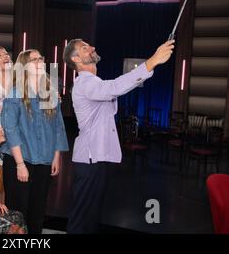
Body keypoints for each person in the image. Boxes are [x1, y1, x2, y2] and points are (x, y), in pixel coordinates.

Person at [63, 38, 175, 234]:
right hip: (90, 160)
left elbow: (114, 89)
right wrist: (152, 61)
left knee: (90, 217)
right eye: (85, 47)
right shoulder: (84, 83)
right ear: (76, 58)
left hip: (96, 159)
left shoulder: (94, 82)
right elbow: (115, 87)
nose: (92, 48)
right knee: (81, 220)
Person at [0, 49, 69, 234]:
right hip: (20, 159)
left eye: (41, 58)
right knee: (17, 216)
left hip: (44, 160)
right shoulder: (15, 93)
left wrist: (56, 156)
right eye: (34, 60)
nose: (39, 62)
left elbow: (58, 127)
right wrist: (20, 164)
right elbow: (10, 129)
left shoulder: (50, 93)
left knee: (37, 213)